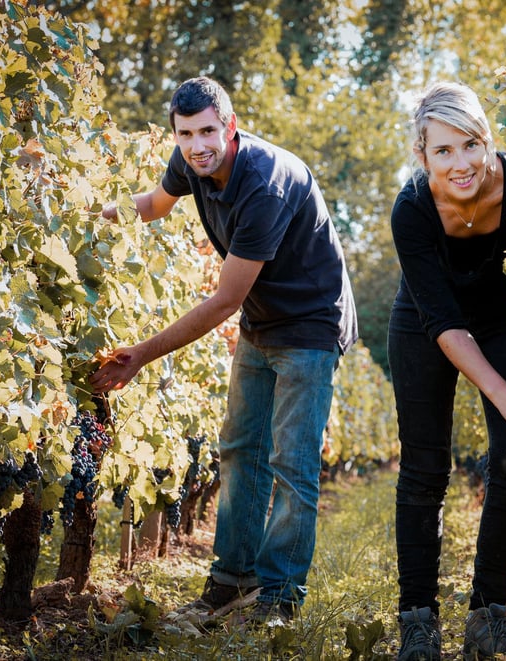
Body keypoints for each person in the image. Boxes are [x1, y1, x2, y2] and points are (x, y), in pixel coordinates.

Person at [90, 76, 357, 627]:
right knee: (239, 449)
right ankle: (232, 582)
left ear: (230, 127)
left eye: (207, 131)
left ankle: (279, 598)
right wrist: (93, 215)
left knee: (291, 462)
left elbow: (223, 302)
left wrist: (141, 354)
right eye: (185, 134)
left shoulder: (265, 183)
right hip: (264, 321)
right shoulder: (192, 159)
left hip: (309, 323)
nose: (196, 145)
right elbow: (156, 205)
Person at [387, 81, 506, 660]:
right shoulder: (412, 210)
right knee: (424, 466)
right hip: (428, 321)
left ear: (488, 141)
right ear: (421, 155)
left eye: (470, 145)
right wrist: (501, 391)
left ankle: (489, 615)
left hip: (504, 318)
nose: (461, 164)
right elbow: (446, 326)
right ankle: (418, 624)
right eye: (443, 151)